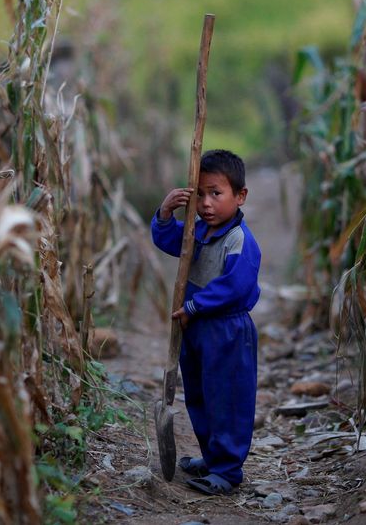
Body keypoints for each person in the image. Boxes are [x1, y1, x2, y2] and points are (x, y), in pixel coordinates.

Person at [150, 149, 261, 496]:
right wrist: (166, 214)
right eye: (199, 194)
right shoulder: (197, 232)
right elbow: (172, 243)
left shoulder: (239, 240)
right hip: (195, 329)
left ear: (240, 196)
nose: (206, 203)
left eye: (216, 193)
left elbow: (235, 286)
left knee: (226, 398)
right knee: (200, 394)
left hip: (226, 330)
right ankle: (212, 458)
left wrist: (196, 306)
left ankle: (228, 470)